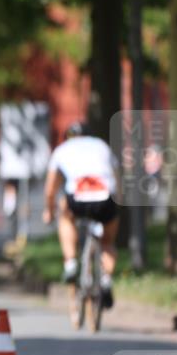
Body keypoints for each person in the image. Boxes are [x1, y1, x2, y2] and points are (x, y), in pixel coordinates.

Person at [42, 121, 119, 309]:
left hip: (77, 197)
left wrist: (49, 211)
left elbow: (50, 189)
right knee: (107, 242)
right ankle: (106, 279)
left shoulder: (62, 149)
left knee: (65, 216)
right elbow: (117, 176)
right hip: (105, 197)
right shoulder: (101, 146)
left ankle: (70, 262)